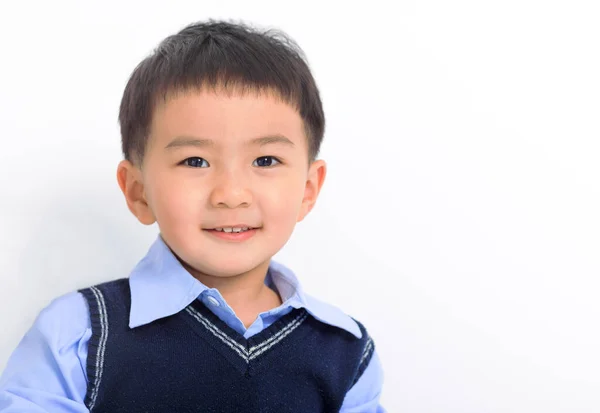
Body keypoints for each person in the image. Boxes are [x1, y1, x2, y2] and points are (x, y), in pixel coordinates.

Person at [0, 19, 385, 412]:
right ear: (138, 191)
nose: (231, 194)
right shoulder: (79, 335)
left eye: (265, 160)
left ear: (308, 189)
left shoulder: (347, 352)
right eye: (195, 161)